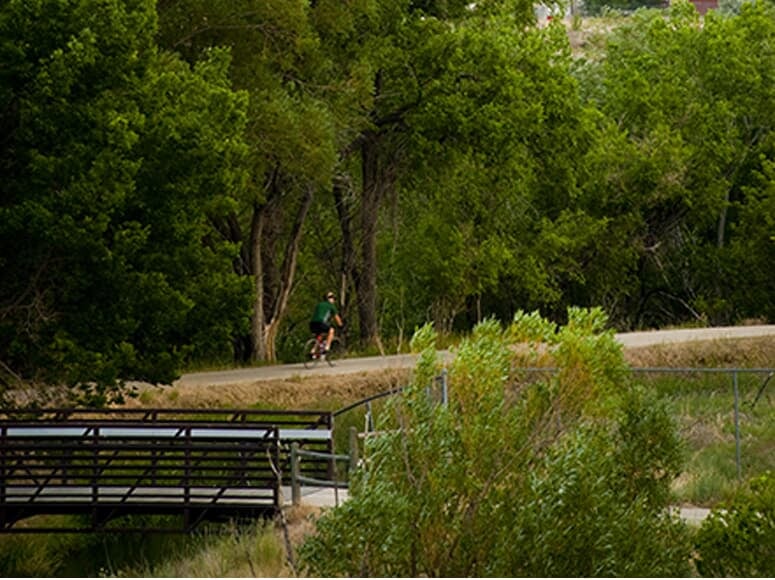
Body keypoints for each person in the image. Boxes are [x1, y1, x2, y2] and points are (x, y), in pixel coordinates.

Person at [309, 291, 343, 356]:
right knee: (331, 330)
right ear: (328, 298)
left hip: (312, 324)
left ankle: (313, 350)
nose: (334, 300)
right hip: (321, 322)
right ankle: (327, 347)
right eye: (332, 298)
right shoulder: (331, 306)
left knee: (320, 335)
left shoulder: (319, 304)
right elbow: (337, 318)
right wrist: (340, 325)